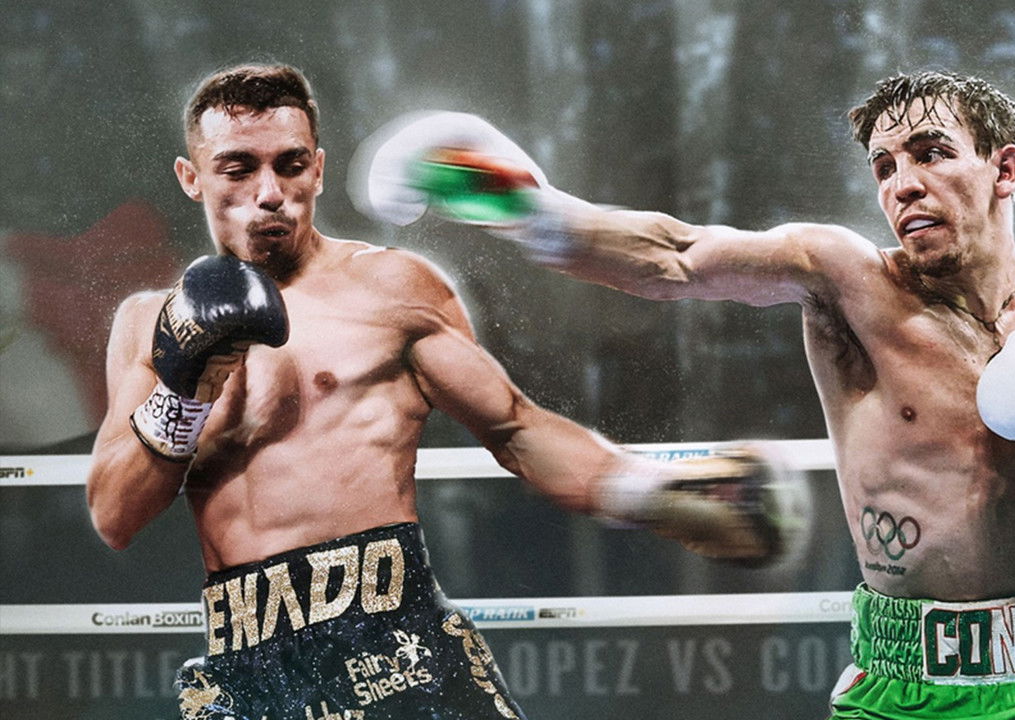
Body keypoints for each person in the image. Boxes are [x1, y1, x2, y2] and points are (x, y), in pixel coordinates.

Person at [362, 71, 1015, 718]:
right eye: (884, 166)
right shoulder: (849, 282)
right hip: (910, 686)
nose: (902, 183)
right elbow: (676, 256)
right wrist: (518, 203)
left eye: (931, 153)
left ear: (1004, 168)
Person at [85, 63, 806, 720]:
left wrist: (654, 494)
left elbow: (516, 430)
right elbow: (115, 515)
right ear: (192, 177)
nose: (269, 193)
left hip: (395, 642)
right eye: (238, 168)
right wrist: (185, 390)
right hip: (247, 667)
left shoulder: (393, 289)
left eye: (290, 165)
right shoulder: (147, 324)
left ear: (319, 170)